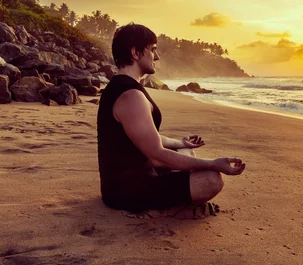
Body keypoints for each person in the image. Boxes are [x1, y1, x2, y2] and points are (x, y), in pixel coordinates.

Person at [97, 23, 245, 214]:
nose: (157, 57)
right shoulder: (130, 96)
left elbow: (150, 137)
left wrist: (179, 142)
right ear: (135, 53)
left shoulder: (125, 87)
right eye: (153, 50)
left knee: (183, 148)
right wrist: (212, 163)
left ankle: (182, 175)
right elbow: (157, 155)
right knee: (211, 179)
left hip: (139, 174)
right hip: (127, 191)